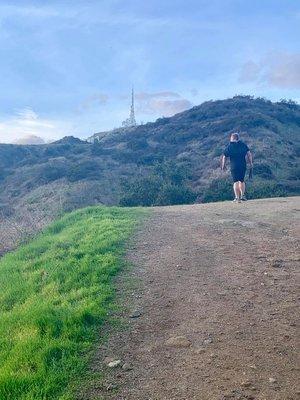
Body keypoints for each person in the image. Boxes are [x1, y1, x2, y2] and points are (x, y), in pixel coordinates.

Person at [221, 132, 253, 202]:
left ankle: (236, 197)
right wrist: (251, 163)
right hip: (242, 165)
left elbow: (224, 157)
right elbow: (249, 154)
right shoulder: (243, 145)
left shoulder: (229, 146)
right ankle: (242, 196)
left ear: (233, 138)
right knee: (241, 180)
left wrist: (223, 165)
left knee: (235, 181)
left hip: (234, 166)